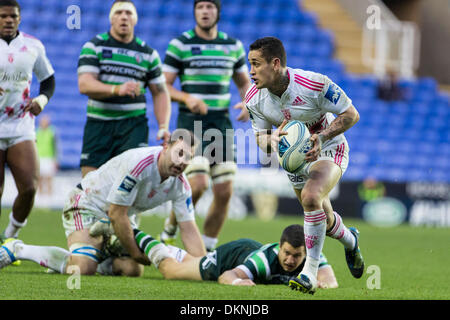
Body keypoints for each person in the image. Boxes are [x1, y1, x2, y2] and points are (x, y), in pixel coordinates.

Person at [244, 37, 364, 294]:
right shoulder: (254, 98)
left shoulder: (314, 84)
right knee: (326, 219)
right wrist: (271, 141)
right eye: (249, 64)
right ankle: (351, 241)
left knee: (311, 198)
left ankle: (309, 273)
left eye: (255, 64)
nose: (250, 71)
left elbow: (351, 114)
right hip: (295, 162)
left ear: (275, 64)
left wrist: (322, 137)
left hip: (329, 149)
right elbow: (260, 140)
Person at [0, 129, 206, 276]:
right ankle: (18, 249)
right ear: (166, 146)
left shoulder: (181, 185)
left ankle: (95, 255)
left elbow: (188, 229)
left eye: (188, 158)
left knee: (132, 270)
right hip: (86, 204)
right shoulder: (141, 164)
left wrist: (203, 265)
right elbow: (117, 213)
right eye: (179, 153)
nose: (182, 162)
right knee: (82, 268)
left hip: (117, 219)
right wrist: (134, 251)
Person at [159, 0, 252, 252]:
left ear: (217, 12)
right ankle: (169, 228)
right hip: (190, 123)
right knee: (198, 184)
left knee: (224, 191)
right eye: (200, 7)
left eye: (210, 6)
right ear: (194, 12)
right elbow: (163, 86)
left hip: (220, 123)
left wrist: (247, 103)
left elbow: (244, 82)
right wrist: (187, 97)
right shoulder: (180, 45)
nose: (204, 11)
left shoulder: (232, 46)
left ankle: (209, 249)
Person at [77, 0, 171, 178]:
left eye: (128, 13)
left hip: (133, 125)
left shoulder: (148, 54)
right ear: (111, 19)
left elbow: (160, 92)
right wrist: (116, 89)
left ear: (135, 20)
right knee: (91, 184)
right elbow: (84, 84)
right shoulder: (94, 46)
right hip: (99, 124)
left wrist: (163, 126)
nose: (123, 17)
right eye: (118, 13)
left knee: (129, 183)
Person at [131, 224, 338, 289]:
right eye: (287, 253)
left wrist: (322, 284)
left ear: (306, 253)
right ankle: (134, 233)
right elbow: (226, 276)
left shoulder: (313, 257)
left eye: (297, 256)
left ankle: (127, 243)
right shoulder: (263, 261)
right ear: (280, 247)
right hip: (232, 256)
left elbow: (330, 282)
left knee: (192, 263)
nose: (290, 261)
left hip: (249, 250)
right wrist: (238, 282)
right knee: (172, 271)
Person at [0, 0, 55, 242]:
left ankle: (10, 237)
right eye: (3, 16)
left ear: (19, 18)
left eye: (13, 16)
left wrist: (41, 100)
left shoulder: (33, 46)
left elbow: (48, 80)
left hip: (21, 125)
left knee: (30, 188)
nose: (8, 20)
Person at [36, 115, 58, 197]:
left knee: (49, 179)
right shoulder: (37, 131)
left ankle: (49, 198)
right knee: (39, 179)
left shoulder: (52, 132)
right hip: (39, 158)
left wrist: (56, 159)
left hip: (49, 158)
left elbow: (56, 146)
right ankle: (40, 197)